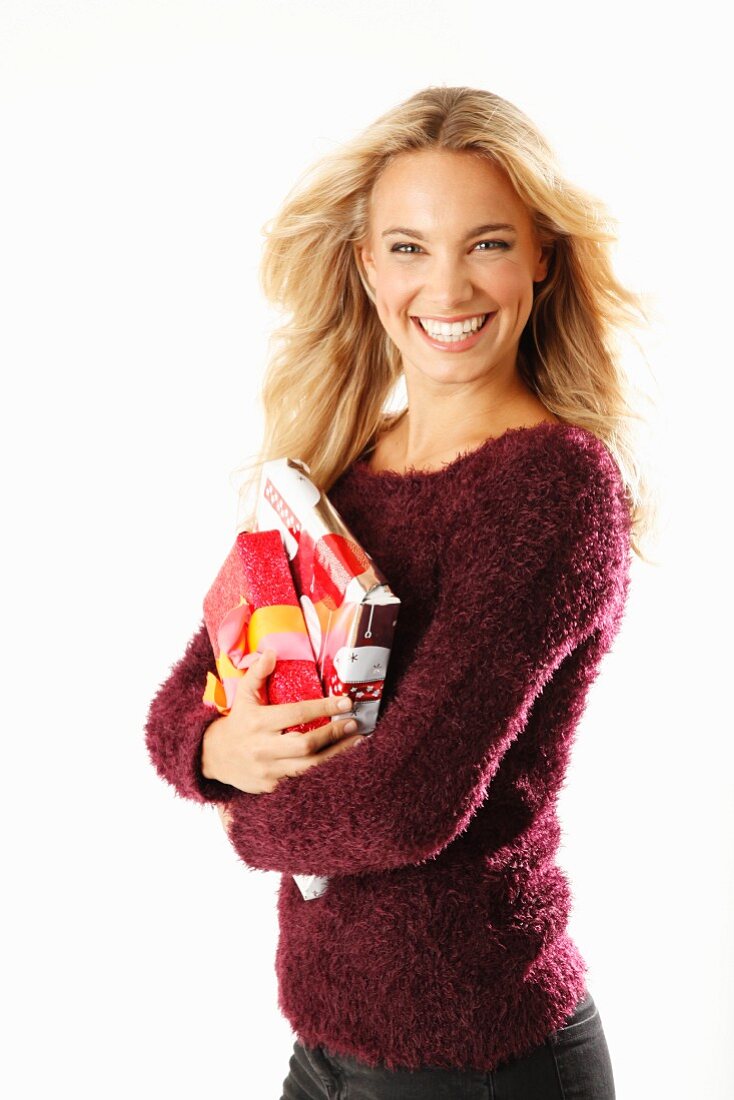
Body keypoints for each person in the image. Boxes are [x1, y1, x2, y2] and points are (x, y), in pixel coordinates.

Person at [145, 86, 654, 1099]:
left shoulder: (550, 484)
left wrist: (239, 810)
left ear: (541, 255)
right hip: (329, 1043)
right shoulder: (342, 464)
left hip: (475, 1054)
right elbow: (188, 695)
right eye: (409, 246)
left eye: (488, 242)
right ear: (367, 264)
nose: (447, 286)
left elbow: (404, 804)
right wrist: (211, 748)